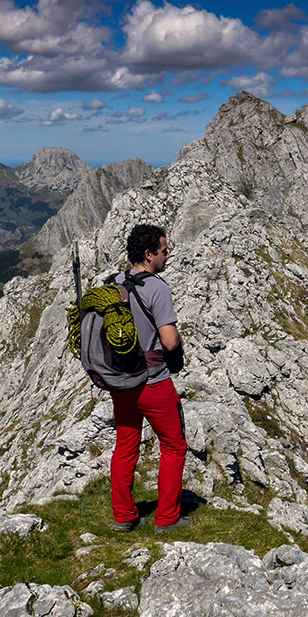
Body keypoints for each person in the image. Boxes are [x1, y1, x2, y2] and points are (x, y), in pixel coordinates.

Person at [109, 224, 189, 533]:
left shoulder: (114, 283)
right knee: (173, 446)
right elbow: (169, 341)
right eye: (164, 251)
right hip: (153, 382)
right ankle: (167, 518)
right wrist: (179, 344)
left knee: (126, 444)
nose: (167, 256)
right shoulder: (157, 288)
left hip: (120, 382)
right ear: (148, 255)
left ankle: (124, 516)